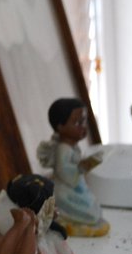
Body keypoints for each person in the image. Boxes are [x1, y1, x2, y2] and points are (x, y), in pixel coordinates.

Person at [37, 98, 109, 237]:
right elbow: (63, 171)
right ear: (60, 126)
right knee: (88, 210)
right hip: (66, 190)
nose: (83, 127)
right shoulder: (63, 149)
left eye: (84, 121)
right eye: (77, 122)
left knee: (92, 205)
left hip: (77, 186)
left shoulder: (72, 147)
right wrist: (81, 167)